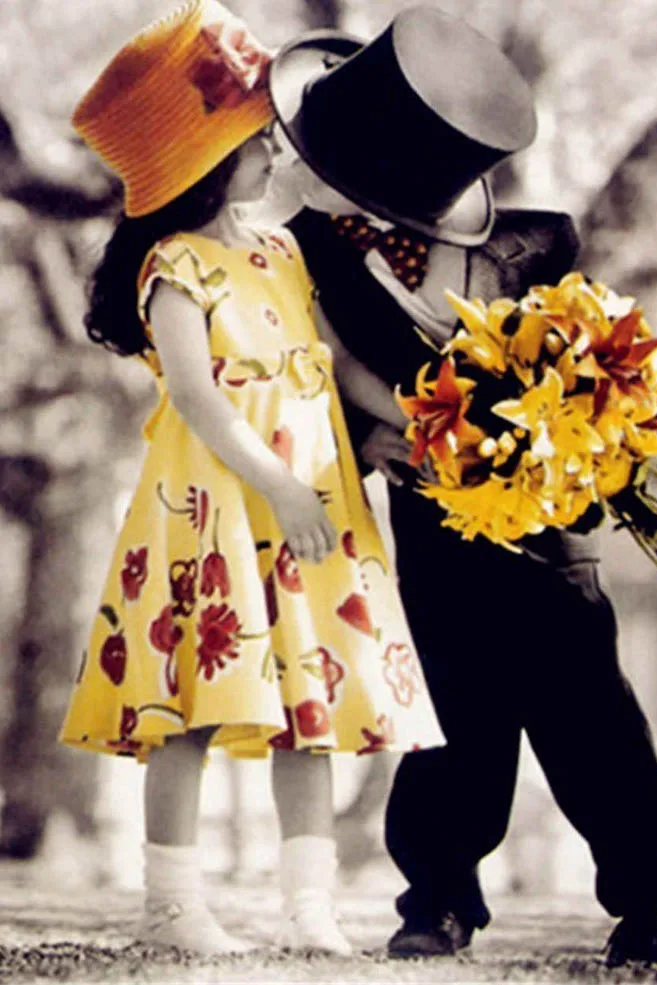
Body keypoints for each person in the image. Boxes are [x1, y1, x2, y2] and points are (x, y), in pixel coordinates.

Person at [267, 6, 657, 970]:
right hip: (431, 510)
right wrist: (368, 435)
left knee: (584, 698)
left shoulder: (536, 248)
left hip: (549, 504)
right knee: (449, 698)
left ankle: (654, 896)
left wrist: (596, 439)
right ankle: (437, 899)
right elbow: (287, 367)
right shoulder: (301, 254)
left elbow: (586, 353)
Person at [59, 0, 444, 958]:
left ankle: (309, 905)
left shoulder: (279, 251)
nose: (274, 151)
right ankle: (171, 903)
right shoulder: (176, 264)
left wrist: (424, 423)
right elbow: (197, 397)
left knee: (309, 708)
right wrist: (278, 484)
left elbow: (333, 362)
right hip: (221, 506)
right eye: (255, 141)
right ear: (205, 161)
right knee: (191, 703)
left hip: (309, 498)